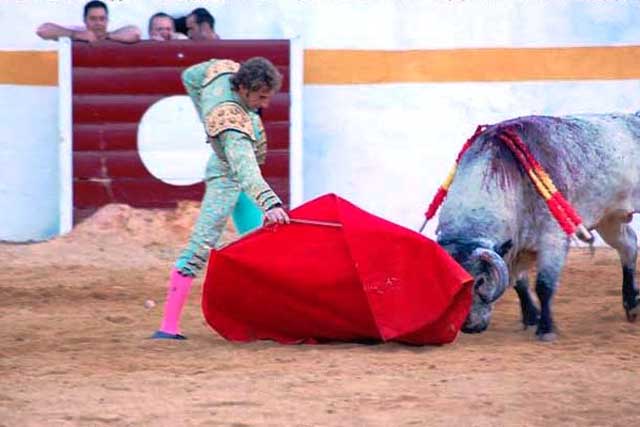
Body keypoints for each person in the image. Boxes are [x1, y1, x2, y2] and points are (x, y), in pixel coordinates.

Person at [152, 57, 289, 340]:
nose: (265, 105)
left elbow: (190, 75)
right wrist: (271, 203)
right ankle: (168, 327)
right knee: (202, 244)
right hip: (226, 176)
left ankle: (263, 318)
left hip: (237, 175)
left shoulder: (222, 70)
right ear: (244, 89)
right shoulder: (231, 123)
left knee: (259, 247)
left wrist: (205, 115)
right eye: (261, 97)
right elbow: (245, 170)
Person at [36, 0, 140, 43]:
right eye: (93, 18)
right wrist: (76, 34)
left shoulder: (114, 34)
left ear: (107, 20)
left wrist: (108, 36)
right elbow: (42, 30)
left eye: (102, 19)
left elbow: (135, 33)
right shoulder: (77, 32)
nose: (98, 23)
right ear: (84, 20)